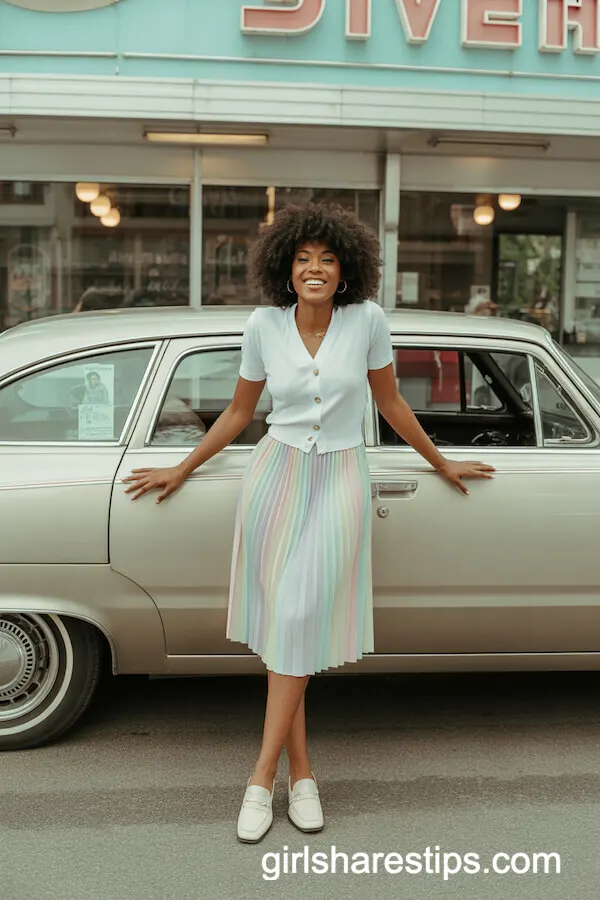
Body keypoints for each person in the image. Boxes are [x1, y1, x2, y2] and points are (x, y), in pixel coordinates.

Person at [123, 203, 495, 843]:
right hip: (275, 477)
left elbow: (390, 400)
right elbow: (241, 412)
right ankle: (304, 777)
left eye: (326, 258)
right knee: (285, 626)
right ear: (285, 270)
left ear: (346, 269)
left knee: (296, 619)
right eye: (303, 259)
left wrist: (441, 462)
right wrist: (182, 469)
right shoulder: (264, 325)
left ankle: (259, 778)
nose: (315, 268)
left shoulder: (368, 320)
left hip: (341, 477)